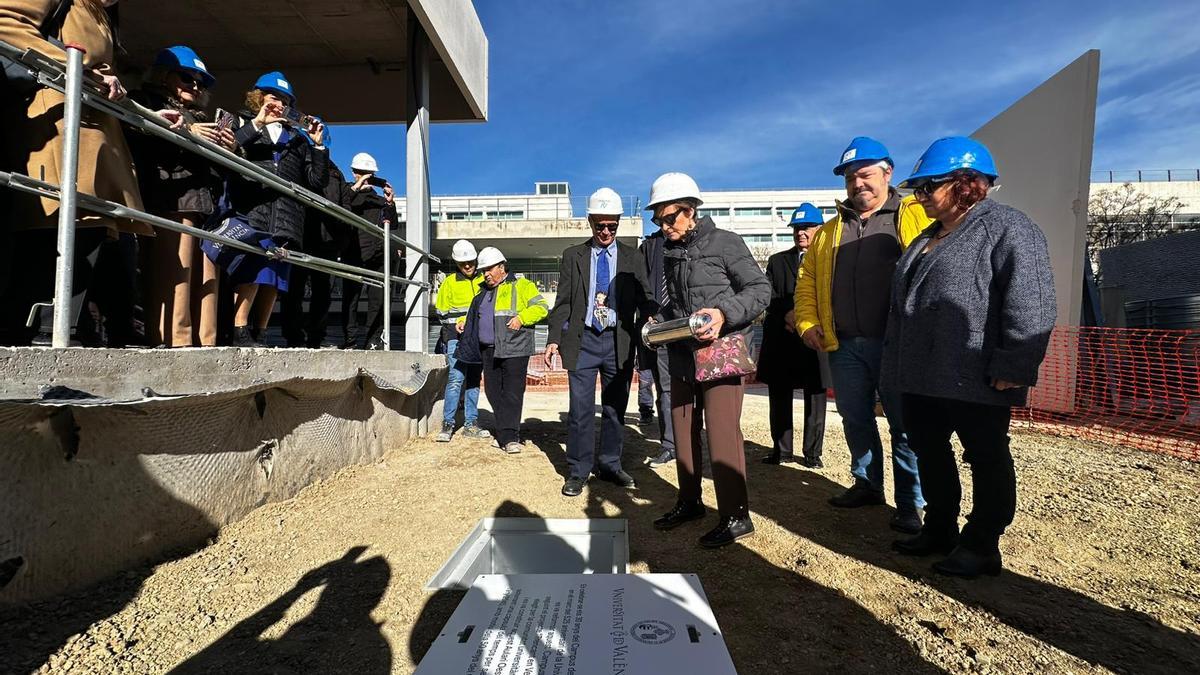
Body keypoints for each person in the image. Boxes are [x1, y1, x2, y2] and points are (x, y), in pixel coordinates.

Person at [885, 137, 1056, 578]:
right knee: (930, 452)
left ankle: (982, 543)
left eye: (927, 187)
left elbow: (1032, 302)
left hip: (975, 373)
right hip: (922, 375)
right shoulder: (924, 239)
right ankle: (939, 528)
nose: (919, 197)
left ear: (966, 184)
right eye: (917, 189)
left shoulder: (1008, 228)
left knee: (986, 455)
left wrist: (1015, 364)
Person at [794, 136, 930, 534]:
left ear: (887, 173)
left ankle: (911, 502)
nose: (858, 184)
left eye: (865, 174)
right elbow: (808, 284)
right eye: (851, 177)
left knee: (904, 426)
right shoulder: (828, 232)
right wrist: (806, 323)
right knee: (855, 418)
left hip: (896, 344)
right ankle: (867, 484)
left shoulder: (915, 215)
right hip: (844, 345)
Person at [0, 0, 154, 345]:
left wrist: (150, 115)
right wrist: (70, 67)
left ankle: (62, 331)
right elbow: (6, 23)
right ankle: (42, 333)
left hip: (92, 132)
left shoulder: (100, 13)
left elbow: (99, 77)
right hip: (60, 126)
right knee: (57, 228)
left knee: (89, 232)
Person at [647, 173, 770, 548]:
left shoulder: (726, 243)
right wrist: (660, 319)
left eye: (669, 218)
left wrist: (722, 313)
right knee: (682, 430)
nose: (664, 226)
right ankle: (689, 502)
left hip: (722, 353)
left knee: (721, 434)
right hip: (683, 354)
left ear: (691, 210)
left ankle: (736, 516)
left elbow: (761, 290)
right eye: (658, 219)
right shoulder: (670, 253)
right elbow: (680, 301)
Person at [544, 188, 656, 497]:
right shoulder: (572, 257)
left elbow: (646, 298)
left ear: (619, 223)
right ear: (590, 221)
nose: (606, 232)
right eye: (600, 225)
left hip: (618, 342)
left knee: (614, 408)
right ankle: (578, 471)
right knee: (580, 411)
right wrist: (554, 339)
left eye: (612, 226)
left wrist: (650, 318)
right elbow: (563, 302)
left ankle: (610, 464)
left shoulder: (633, 257)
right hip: (582, 343)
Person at [128, 45, 232, 348]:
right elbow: (136, 132)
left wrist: (229, 147)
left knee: (205, 277)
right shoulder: (144, 100)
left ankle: (206, 339)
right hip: (170, 198)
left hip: (202, 203)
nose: (195, 86)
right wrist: (188, 131)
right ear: (164, 76)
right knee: (175, 274)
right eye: (187, 78)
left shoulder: (202, 116)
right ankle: (175, 339)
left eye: (200, 82)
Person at [222, 71, 329, 347]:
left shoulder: (297, 139)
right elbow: (230, 148)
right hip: (252, 208)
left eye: (284, 100)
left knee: (275, 276)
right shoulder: (243, 122)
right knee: (251, 270)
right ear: (258, 98)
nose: (278, 104)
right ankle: (239, 328)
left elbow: (316, 181)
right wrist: (258, 123)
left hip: (286, 216)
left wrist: (318, 147)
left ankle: (261, 330)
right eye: (273, 97)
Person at [455, 247, 549, 454]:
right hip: (488, 350)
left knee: (513, 394)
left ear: (501, 266)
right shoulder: (482, 292)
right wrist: (464, 322)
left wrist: (521, 318)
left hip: (515, 348)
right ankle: (506, 429)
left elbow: (541, 307)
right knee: (492, 391)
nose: (486, 274)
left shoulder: (522, 285)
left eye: (489, 269)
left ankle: (510, 437)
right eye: (484, 270)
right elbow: (479, 316)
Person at [759, 203, 827, 468]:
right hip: (783, 340)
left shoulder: (828, 260)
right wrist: (788, 315)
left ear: (819, 229)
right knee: (779, 396)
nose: (801, 233)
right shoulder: (777, 262)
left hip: (816, 339)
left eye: (806, 228)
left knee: (816, 396)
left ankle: (812, 454)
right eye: (797, 229)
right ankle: (781, 450)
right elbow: (768, 295)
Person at [280, 161, 346, 348]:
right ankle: (293, 335)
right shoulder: (303, 165)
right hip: (303, 235)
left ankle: (316, 336)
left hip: (328, 240)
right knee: (294, 289)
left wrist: (341, 234)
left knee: (323, 291)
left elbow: (344, 203)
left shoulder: (336, 173)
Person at [337, 152, 398, 350]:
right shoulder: (347, 192)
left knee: (377, 300)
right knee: (351, 298)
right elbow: (342, 206)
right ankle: (350, 340)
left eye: (369, 173)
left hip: (378, 254)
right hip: (353, 252)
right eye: (361, 172)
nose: (365, 176)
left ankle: (373, 340)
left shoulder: (378, 200)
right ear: (354, 172)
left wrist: (390, 202)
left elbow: (392, 224)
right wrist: (357, 186)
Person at [435, 239, 488, 442]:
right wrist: (459, 321)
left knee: (474, 380)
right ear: (456, 263)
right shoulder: (449, 283)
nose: (467, 266)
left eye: (471, 262)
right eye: (462, 263)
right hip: (454, 337)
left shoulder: (485, 281)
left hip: (478, 339)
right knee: (456, 379)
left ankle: (471, 423)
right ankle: (448, 424)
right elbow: (441, 312)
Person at [637, 217, 677, 467]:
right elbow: (639, 283)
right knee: (665, 388)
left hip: (688, 324)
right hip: (656, 327)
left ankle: (688, 440)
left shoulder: (697, 242)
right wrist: (647, 308)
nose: (666, 223)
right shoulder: (650, 246)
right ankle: (671, 445)